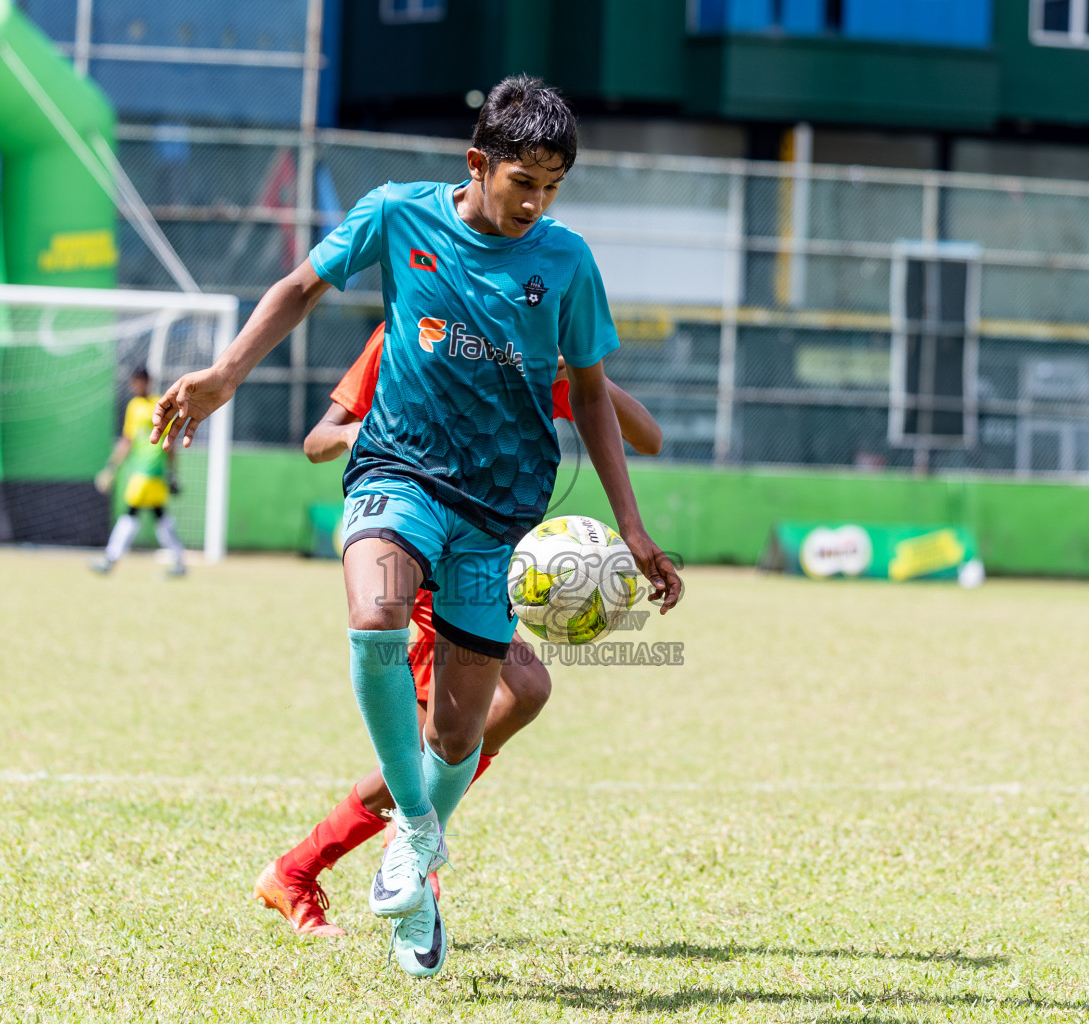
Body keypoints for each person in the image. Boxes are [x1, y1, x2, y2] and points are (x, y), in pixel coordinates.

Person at [150, 75, 683, 978]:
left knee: (464, 734)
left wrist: (629, 527)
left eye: (553, 188)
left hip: (498, 514)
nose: (536, 204)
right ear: (478, 164)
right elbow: (298, 288)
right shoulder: (399, 224)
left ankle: (411, 841)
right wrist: (224, 375)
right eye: (524, 183)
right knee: (374, 617)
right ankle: (397, 842)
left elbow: (601, 399)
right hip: (398, 478)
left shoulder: (563, 269)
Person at [254, 323, 663, 937]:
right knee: (482, 717)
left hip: (482, 564)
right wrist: (353, 433)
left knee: (484, 717)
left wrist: (573, 369)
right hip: (415, 563)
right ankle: (354, 859)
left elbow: (648, 436)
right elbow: (317, 439)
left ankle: (349, 856)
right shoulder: (406, 330)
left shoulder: (520, 351)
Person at [91, 368, 186, 578]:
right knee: (158, 515)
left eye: (139, 381)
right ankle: (179, 561)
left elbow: (171, 440)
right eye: (134, 382)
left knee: (132, 513)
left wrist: (173, 473)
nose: (135, 386)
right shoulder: (133, 407)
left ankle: (110, 559)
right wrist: (112, 467)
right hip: (141, 470)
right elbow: (127, 440)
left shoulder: (159, 404)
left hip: (151, 471)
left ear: (147, 382)